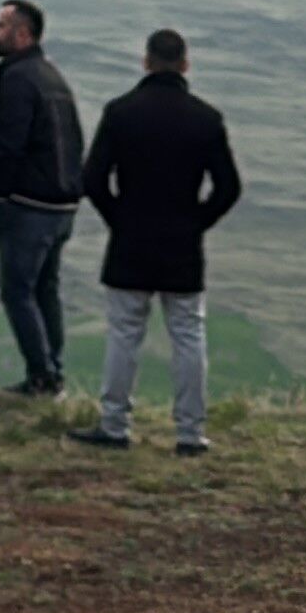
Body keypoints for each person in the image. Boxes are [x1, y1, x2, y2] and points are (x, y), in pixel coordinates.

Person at [70, 29, 242, 456]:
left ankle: (114, 426)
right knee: (188, 333)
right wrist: (196, 223)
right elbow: (228, 187)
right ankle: (190, 434)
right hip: (182, 242)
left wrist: (120, 219)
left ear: (146, 62)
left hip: (131, 238)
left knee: (124, 332)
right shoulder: (205, 118)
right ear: (185, 65)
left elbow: (92, 179)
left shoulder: (121, 112)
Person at [0, 0, 84, 399]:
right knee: (45, 290)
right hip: (60, 205)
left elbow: (6, 146)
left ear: (23, 35)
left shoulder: (19, 82)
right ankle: (53, 373)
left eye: (1, 25)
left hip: (28, 206)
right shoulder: (51, 77)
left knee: (18, 290)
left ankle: (42, 377)